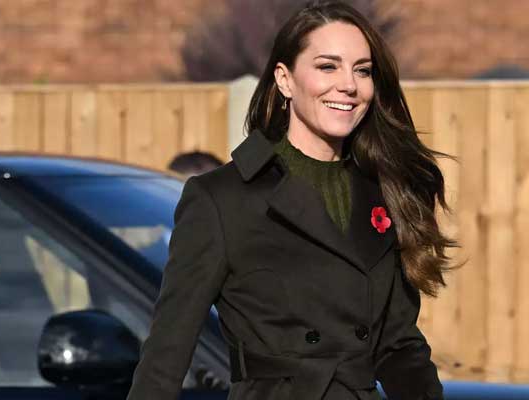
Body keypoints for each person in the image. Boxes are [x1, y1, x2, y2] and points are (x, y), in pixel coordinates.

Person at [127, 1, 459, 399]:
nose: (349, 85)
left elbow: (399, 345)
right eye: (327, 66)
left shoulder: (384, 190)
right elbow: (168, 351)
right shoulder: (223, 198)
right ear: (285, 80)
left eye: (362, 70)